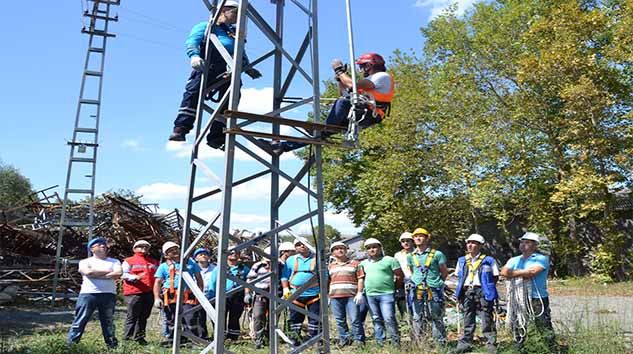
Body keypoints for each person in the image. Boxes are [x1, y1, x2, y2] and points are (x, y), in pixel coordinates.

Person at [169, 0, 262, 148]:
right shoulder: (207, 27)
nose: (238, 17)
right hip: (207, 66)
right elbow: (193, 41)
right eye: (235, 13)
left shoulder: (231, 32)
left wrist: (247, 67)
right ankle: (181, 128)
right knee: (193, 92)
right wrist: (194, 55)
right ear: (224, 10)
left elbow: (239, 51)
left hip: (226, 70)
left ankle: (217, 135)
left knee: (232, 96)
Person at [271, 52, 394, 153]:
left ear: (369, 65)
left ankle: (325, 127)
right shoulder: (369, 81)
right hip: (359, 114)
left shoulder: (382, 76)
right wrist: (340, 80)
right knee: (321, 133)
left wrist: (340, 72)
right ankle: (282, 147)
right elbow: (345, 94)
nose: (361, 70)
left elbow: (351, 86)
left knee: (338, 108)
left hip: (369, 114)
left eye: (362, 66)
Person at [500, 232, 554, 347]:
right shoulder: (514, 259)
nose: (523, 244)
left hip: (537, 297)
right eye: (522, 242)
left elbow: (532, 273)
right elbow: (504, 272)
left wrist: (513, 273)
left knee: (543, 323)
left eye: (527, 242)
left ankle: (550, 347)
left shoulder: (541, 258)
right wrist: (523, 273)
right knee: (519, 321)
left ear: (535, 245)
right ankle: (518, 345)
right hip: (518, 297)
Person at [67, 237, 122, 348]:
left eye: (104, 244)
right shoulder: (84, 262)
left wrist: (96, 274)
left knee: (108, 322)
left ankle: (112, 346)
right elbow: (88, 272)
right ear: (92, 249)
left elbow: (118, 273)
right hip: (88, 294)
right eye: (99, 244)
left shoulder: (115, 261)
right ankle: (71, 346)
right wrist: (109, 273)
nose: (103, 245)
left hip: (108, 294)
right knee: (80, 320)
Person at [453, 234, 499, 354]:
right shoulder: (462, 260)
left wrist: (486, 289)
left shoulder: (489, 260)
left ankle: (490, 343)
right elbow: (459, 277)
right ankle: (466, 343)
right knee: (468, 317)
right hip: (467, 291)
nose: (470, 245)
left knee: (486, 316)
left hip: (483, 291)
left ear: (481, 245)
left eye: (474, 243)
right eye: (469, 242)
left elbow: (495, 277)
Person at [153, 241, 205, 346]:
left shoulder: (190, 263)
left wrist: (199, 294)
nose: (175, 251)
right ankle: (172, 339)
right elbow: (157, 282)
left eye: (176, 248)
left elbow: (199, 279)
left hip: (188, 294)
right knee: (171, 318)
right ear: (166, 255)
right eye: (171, 250)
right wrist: (157, 298)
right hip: (171, 295)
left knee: (190, 317)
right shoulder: (163, 266)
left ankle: (192, 340)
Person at [407, 227, 448, 346]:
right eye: (416, 236)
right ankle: (419, 343)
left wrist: (437, 282)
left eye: (421, 236)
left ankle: (440, 343)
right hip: (417, 289)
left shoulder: (437, 254)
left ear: (427, 238)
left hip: (433, 288)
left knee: (436, 316)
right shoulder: (411, 256)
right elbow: (412, 270)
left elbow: (444, 272)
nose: (418, 238)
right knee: (417, 316)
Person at [360, 238, 403, 347]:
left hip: (386, 294)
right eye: (369, 248)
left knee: (389, 318)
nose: (372, 250)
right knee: (376, 319)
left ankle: (395, 343)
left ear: (380, 248)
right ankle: (380, 343)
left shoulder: (390, 260)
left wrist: (394, 288)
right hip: (370, 295)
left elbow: (399, 276)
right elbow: (362, 278)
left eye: (374, 247)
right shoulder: (363, 263)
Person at [281, 239, 321, 346]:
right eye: (298, 245)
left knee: (315, 318)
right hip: (295, 294)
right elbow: (284, 276)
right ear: (295, 248)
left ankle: (316, 339)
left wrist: (325, 292)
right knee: (295, 319)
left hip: (314, 294)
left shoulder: (317, 258)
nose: (302, 246)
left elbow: (325, 276)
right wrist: (286, 289)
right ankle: (294, 338)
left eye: (304, 244)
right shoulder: (290, 260)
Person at [328, 241, 366, 347]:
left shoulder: (355, 264)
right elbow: (328, 281)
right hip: (335, 296)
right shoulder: (330, 266)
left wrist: (359, 293)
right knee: (340, 320)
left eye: (342, 248)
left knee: (355, 319)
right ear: (332, 253)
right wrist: (327, 295)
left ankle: (359, 341)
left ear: (346, 250)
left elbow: (360, 279)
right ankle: (344, 339)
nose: (339, 250)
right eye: (336, 249)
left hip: (351, 296)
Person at [121, 240, 159, 345]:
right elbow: (123, 274)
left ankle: (139, 337)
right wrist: (134, 277)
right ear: (134, 249)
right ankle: (127, 339)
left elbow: (159, 276)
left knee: (144, 316)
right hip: (134, 293)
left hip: (149, 292)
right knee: (132, 316)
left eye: (146, 247)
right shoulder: (129, 261)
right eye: (141, 246)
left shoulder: (154, 262)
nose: (144, 248)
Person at [207, 249, 250, 341]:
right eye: (231, 253)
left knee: (235, 317)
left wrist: (248, 295)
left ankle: (233, 338)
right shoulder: (219, 268)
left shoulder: (244, 269)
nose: (234, 255)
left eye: (236, 253)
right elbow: (213, 283)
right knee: (220, 317)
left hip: (238, 296)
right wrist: (212, 297)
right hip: (222, 296)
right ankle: (219, 337)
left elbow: (249, 282)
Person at [246, 246, 274, 349]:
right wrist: (247, 293)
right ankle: (258, 339)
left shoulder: (279, 265)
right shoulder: (257, 266)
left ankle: (270, 337)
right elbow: (249, 280)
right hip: (260, 294)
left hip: (274, 294)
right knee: (258, 316)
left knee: (273, 317)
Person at [193, 248, 216, 340]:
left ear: (209, 257)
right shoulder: (192, 269)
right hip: (198, 297)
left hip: (213, 296)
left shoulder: (215, 269)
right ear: (195, 258)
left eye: (205, 254)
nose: (203, 255)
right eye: (200, 254)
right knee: (200, 318)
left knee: (215, 318)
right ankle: (203, 337)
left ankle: (218, 336)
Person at [394, 232, 414, 320]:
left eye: (408, 241)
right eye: (403, 241)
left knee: (414, 303)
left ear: (412, 242)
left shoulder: (417, 253)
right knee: (402, 303)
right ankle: (406, 321)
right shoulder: (397, 255)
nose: (405, 243)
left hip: (415, 281)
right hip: (401, 282)